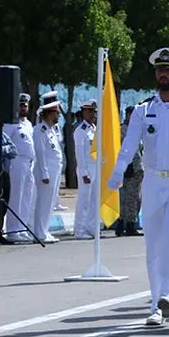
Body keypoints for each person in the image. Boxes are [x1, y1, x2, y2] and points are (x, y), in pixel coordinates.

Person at [107, 48, 169, 325]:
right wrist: (117, 173)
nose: (164, 74)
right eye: (160, 69)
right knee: (152, 242)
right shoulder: (144, 109)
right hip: (152, 181)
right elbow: (129, 145)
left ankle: (168, 293)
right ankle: (155, 303)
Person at [3, 94, 37, 242]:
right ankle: (12, 230)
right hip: (16, 162)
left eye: (25, 105)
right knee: (16, 197)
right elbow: (4, 142)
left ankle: (22, 228)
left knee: (26, 198)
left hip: (29, 163)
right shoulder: (10, 123)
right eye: (21, 105)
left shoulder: (28, 124)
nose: (23, 108)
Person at [31, 91, 63, 244]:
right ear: (51, 113)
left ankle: (44, 230)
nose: (59, 116)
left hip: (54, 171)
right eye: (57, 113)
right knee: (43, 202)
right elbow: (40, 152)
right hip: (46, 172)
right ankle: (39, 232)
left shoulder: (51, 130)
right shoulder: (40, 130)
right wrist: (44, 173)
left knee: (50, 202)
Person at [73, 101, 98, 239]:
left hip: (96, 168)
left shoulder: (94, 128)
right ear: (83, 112)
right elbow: (79, 153)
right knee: (84, 201)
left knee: (94, 200)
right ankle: (80, 229)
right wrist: (83, 172)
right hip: (86, 169)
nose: (92, 114)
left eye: (94, 111)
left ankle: (91, 227)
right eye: (89, 111)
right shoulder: (80, 130)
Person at [117, 106, 143, 237]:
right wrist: (139, 168)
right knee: (132, 198)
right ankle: (129, 225)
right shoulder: (127, 130)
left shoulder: (131, 129)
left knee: (127, 198)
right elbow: (132, 151)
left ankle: (122, 225)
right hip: (130, 168)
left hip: (127, 167)